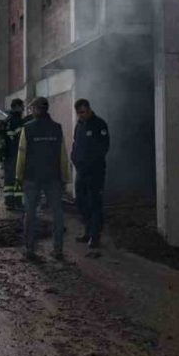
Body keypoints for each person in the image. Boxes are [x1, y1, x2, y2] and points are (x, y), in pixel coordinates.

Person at [16, 97, 70, 260]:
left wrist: (19, 176)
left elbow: (21, 154)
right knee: (57, 213)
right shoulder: (57, 128)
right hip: (53, 177)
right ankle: (58, 249)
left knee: (30, 213)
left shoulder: (27, 128)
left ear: (35, 110)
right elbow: (63, 155)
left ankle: (30, 249)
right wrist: (65, 177)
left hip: (32, 177)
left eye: (32, 108)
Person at [71, 99, 110, 249]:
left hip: (95, 171)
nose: (80, 115)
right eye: (78, 113)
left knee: (95, 203)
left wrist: (89, 163)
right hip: (81, 171)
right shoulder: (79, 125)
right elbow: (75, 144)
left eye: (83, 112)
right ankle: (87, 231)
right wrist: (74, 158)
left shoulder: (99, 124)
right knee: (80, 202)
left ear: (88, 109)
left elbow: (103, 147)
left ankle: (95, 236)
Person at [0, 98, 28, 210]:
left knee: (9, 180)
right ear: (16, 106)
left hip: (7, 154)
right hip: (16, 153)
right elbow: (21, 138)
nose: (23, 108)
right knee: (18, 178)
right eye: (22, 106)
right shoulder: (17, 120)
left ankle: (9, 202)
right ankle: (18, 202)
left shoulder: (6, 119)